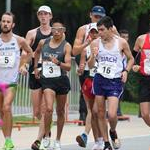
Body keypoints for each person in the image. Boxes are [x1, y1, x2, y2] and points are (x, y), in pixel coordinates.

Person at [90, 16, 134, 150]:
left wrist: (126, 71)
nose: (100, 33)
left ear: (110, 29)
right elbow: (91, 65)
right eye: (98, 30)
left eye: (102, 30)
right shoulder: (95, 43)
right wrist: (93, 55)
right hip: (99, 79)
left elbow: (131, 59)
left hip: (115, 81)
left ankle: (113, 131)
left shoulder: (121, 43)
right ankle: (106, 143)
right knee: (100, 112)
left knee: (112, 114)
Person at [34, 19, 72, 150]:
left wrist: (58, 63)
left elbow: (68, 67)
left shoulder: (66, 46)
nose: (56, 31)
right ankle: (46, 136)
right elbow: (37, 52)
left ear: (63, 31)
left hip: (61, 80)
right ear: (51, 30)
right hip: (47, 80)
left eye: (59, 29)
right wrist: (35, 68)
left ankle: (57, 140)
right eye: (54, 29)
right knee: (48, 109)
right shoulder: (43, 42)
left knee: (60, 111)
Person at [72, 6, 106, 149]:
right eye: (95, 16)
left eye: (100, 17)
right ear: (90, 15)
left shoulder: (110, 29)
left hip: (104, 72)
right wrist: (87, 42)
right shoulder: (83, 29)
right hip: (88, 72)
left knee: (99, 109)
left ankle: (99, 136)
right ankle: (98, 140)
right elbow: (75, 50)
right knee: (91, 109)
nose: (97, 19)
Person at [0, 12, 32, 149]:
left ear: (12, 25)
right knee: (2, 111)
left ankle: (8, 140)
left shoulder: (19, 40)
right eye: (3, 21)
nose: (5, 24)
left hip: (11, 82)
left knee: (7, 107)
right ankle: (7, 139)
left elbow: (30, 52)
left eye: (8, 22)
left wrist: (23, 64)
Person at [25, 5, 52, 150]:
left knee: (44, 109)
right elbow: (25, 51)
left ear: (50, 16)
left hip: (50, 74)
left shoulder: (56, 33)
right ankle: (48, 128)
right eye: (40, 14)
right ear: (38, 16)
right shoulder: (32, 33)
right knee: (36, 112)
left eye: (46, 14)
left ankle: (38, 140)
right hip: (35, 72)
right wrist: (23, 65)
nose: (43, 16)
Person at [132, 29, 150, 128]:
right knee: (145, 114)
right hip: (145, 80)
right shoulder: (141, 39)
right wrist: (135, 65)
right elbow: (132, 56)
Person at [117, 29, 129, 117]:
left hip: (123, 72)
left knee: (121, 92)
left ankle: (118, 110)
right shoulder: (117, 46)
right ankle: (114, 110)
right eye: (123, 36)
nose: (125, 39)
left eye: (127, 37)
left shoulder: (126, 47)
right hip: (116, 72)